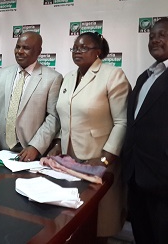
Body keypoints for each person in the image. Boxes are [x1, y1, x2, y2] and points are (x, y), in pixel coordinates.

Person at [48, 32, 131, 241]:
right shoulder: (68, 77)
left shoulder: (113, 75)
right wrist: (58, 143)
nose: (77, 51)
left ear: (98, 52)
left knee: (99, 222)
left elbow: (122, 122)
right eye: (75, 48)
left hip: (99, 159)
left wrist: (105, 158)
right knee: (73, 220)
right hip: (69, 159)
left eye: (84, 48)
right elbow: (64, 115)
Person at [0, 31, 63, 161]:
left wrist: (35, 146)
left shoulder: (52, 78)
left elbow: (53, 118)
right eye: (18, 47)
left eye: (26, 48)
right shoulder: (2, 75)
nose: (20, 51)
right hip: (0, 150)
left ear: (38, 51)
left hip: (30, 152)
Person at [122, 17, 168, 244]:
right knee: (142, 235)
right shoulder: (144, 77)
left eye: (162, 35)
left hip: (163, 180)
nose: (155, 40)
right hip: (136, 175)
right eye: (152, 37)